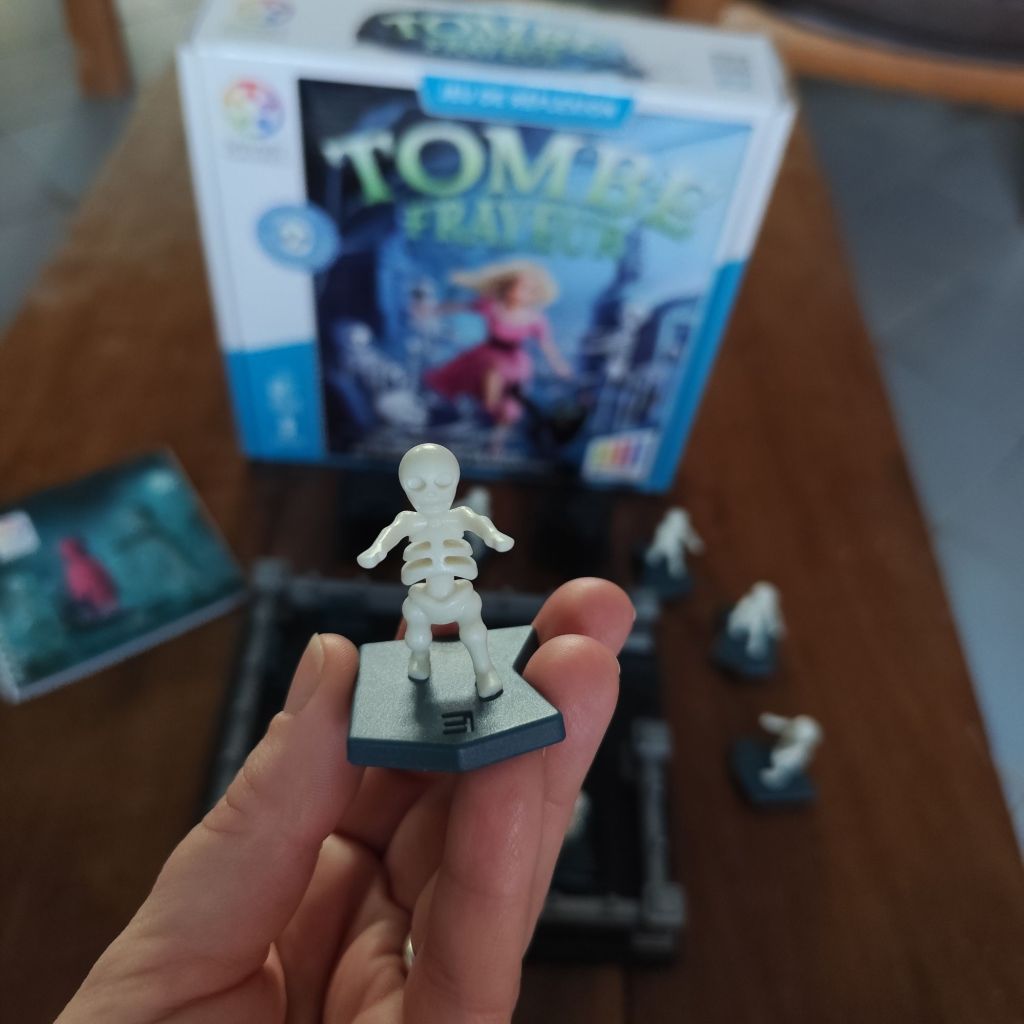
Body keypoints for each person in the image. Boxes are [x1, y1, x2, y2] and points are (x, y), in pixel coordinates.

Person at [56, 578, 632, 1024]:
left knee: (485, 652)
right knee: (429, 642)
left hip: (460, 616)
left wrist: (490, 537)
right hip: (428, 621)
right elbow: (396, 538)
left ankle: (479, 670)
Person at [424, 260, 572, 436]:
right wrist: (431, 310)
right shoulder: (493, 307)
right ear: (506, 286)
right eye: (516, 286)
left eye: (528, 290)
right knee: (490, 377)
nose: (519, 292)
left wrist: (559, 367)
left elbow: (547, 346)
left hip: (515, 363)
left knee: (510, 397)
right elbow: (462, 307)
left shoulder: (535, 319)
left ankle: (499, 434)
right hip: (487, 356)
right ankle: (484, 412)